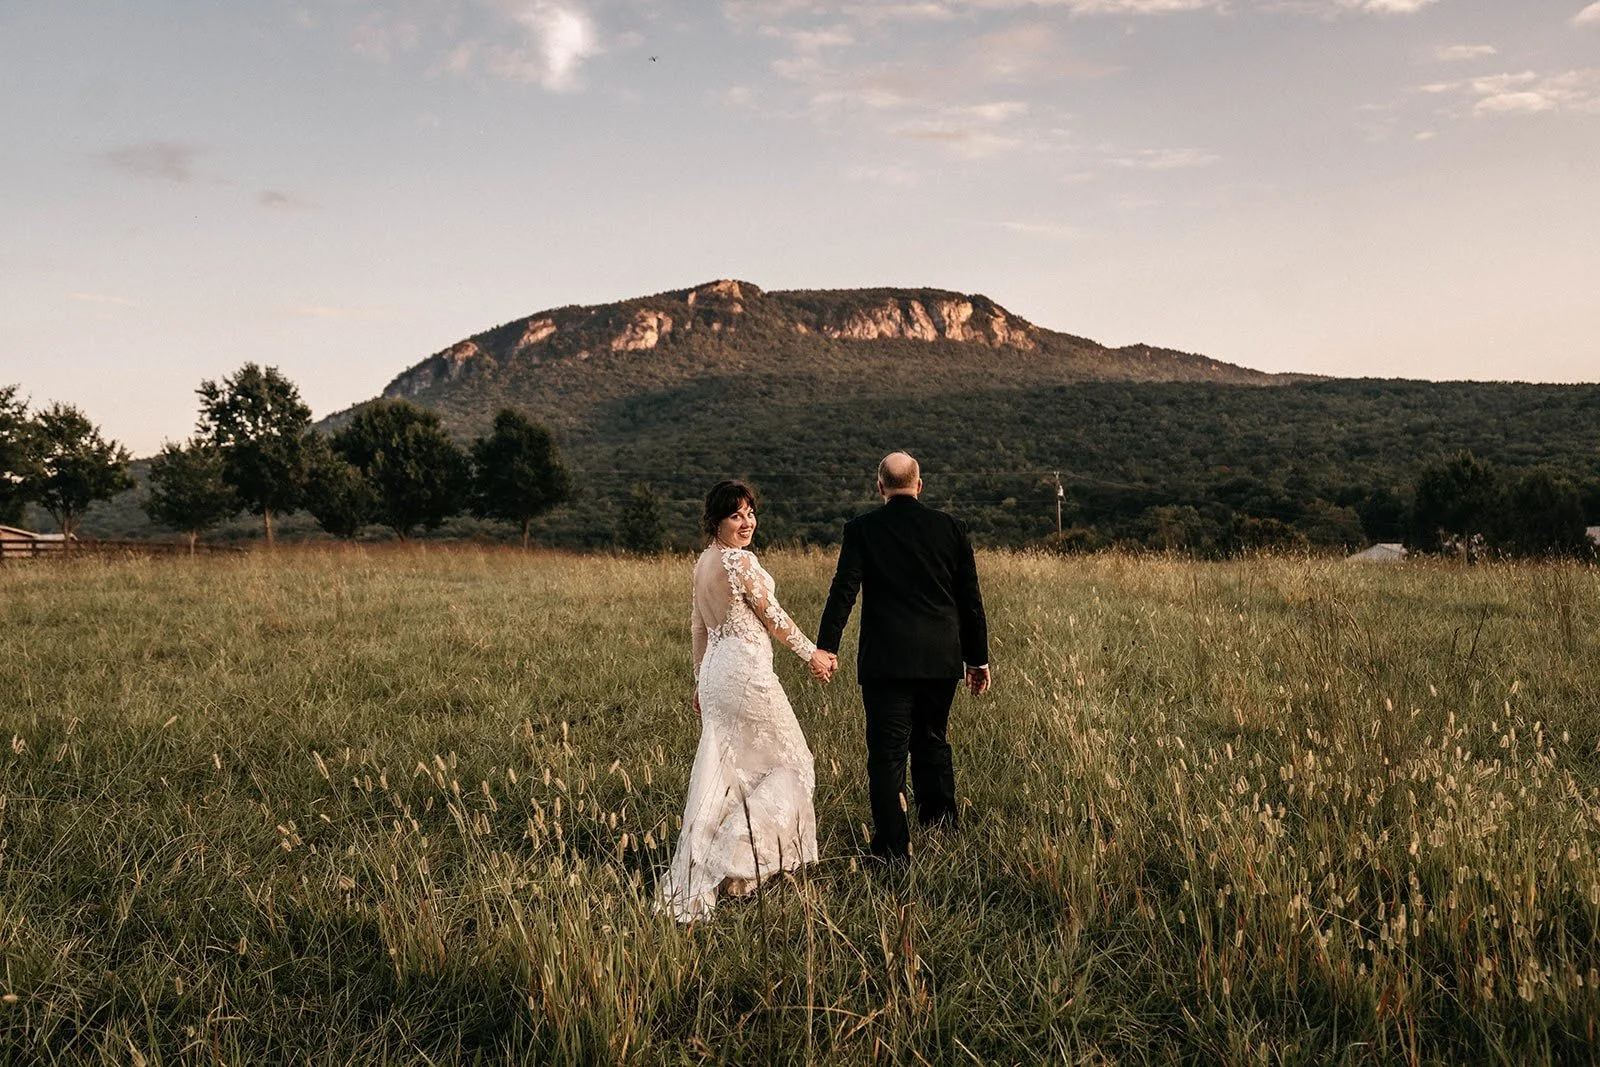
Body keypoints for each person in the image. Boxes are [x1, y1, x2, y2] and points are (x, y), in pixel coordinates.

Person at [658, 480, 837, 922]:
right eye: (736, 515)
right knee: (793, 762)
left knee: (727, 771)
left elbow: (700, 630)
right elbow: (774, 618)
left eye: (750, 513)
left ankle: (735, 873)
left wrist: (700, 683)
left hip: (718, 674)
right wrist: (812, 653)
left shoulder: (702, 563)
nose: (747, 522)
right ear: (716, 521)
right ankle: (734, 860)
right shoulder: (739, 561)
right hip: (745, 674)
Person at [816, 452, 989, 861]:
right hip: (940, 660)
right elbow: (971, 601)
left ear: (880, 487)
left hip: (886, 662)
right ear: (919, 484)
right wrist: (977, 660)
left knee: (887, 754)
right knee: (932, 742)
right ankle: (941, 829)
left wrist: (826, 646)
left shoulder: (863, 530)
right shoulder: (951, 529)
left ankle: (893, 849)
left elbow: (844, 590)